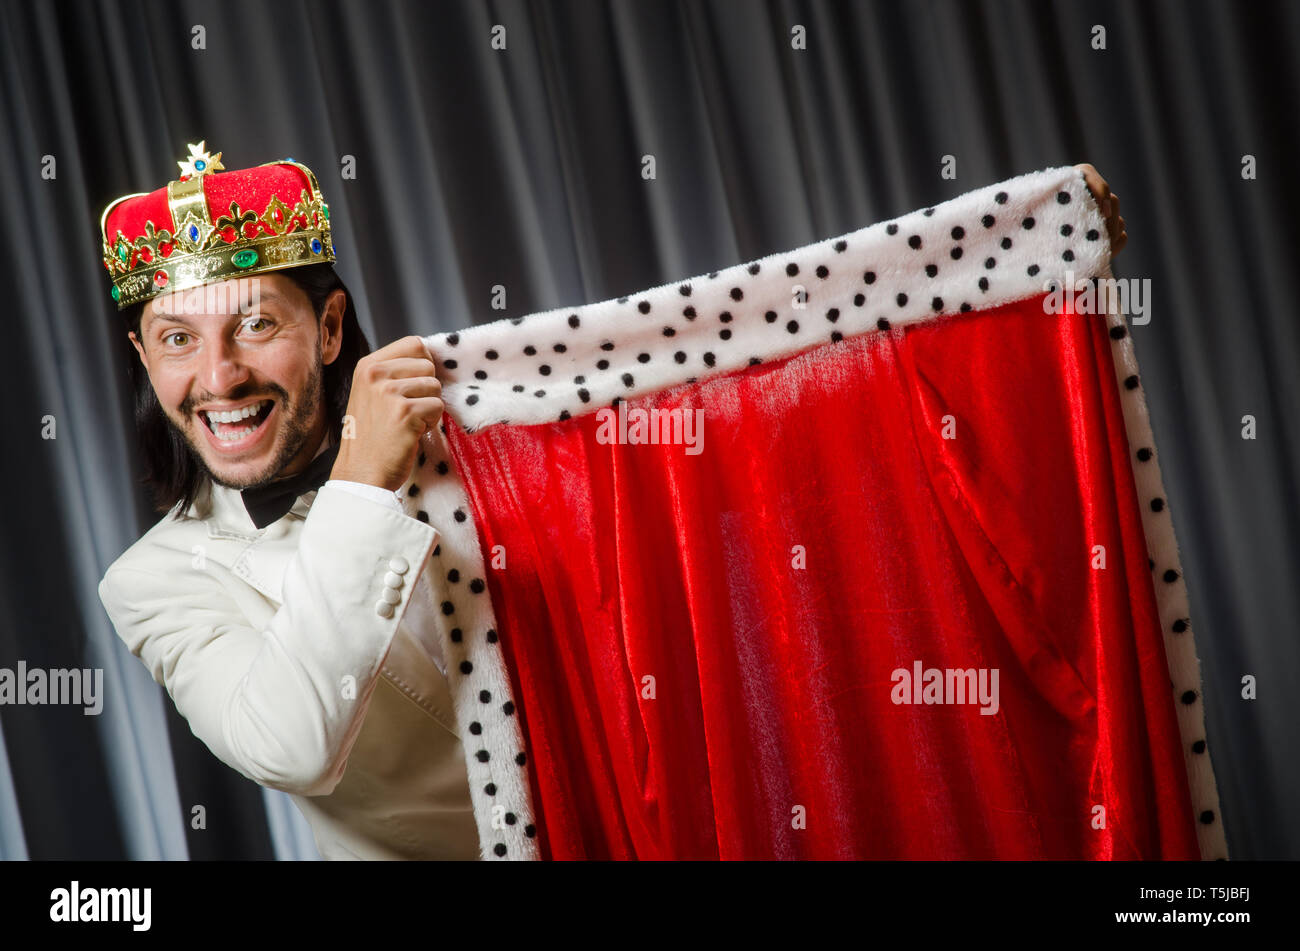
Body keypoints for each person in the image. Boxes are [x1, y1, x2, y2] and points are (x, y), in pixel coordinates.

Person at [96, 142, 481, 859]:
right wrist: (360, 486)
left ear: (329, 328)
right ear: (145, 359)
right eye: (177, 339)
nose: (220, 377)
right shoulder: (149, 583)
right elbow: (293, 749)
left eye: (255, 325)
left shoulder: (485, 448)